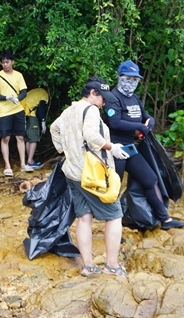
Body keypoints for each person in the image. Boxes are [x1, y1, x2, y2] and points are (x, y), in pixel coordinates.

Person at [50, 76, 131, 278]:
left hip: (73, 172)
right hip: (91, 173)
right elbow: (92, 136)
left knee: (84, 217)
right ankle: (112, 265)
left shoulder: (69, 110)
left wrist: (64, 148)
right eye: (102, 97)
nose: (104, 102)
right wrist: (113, 147)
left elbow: (54, 128)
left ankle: (88, 266)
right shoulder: (91, 110)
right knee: (114, 215)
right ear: (93, 94)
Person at [105, 60, 184, 229]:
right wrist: (139, 126)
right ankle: (112, 228)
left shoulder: (134, 98)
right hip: (114, 148)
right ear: (120, 77)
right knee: (114, 188)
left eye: (135, 79)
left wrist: (149, 124)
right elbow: (115, 123)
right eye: (128, 78)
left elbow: (146, 116)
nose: (131, 82)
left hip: (130, 147)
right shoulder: (113, 98)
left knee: (150, 179)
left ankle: (165, 219)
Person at [0, 50, 29, 175]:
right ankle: (7, 166)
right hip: (4, 112)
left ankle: (23, 164)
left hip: (18, 109)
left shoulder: (19, 75)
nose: (5, 64)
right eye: (3, 62)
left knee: (20, 136)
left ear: (12, 62)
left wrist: (17, 99)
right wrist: (7, 97)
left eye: (7, 62)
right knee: (5, 137)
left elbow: (24, 91)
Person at [21, 87, 49, 168]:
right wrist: (43, 121)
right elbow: (41, 108)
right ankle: (30, 162)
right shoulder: (44, 94)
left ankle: (30, 160)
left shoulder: (34, 91)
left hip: (22, 115)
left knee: (27, 139)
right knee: (34, 138)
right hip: (30, 115)